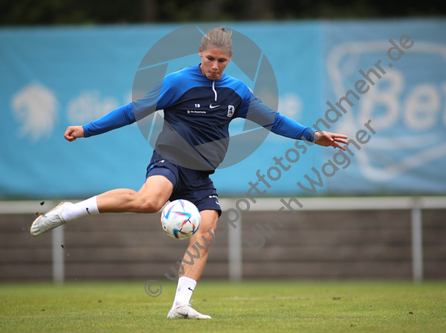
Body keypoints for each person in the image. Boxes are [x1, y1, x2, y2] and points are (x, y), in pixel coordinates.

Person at [31, 27, 348, 319]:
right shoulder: (177, 82)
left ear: (230, 59)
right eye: (210, 58)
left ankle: (180, 304)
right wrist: (87, 129)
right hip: (170, 159)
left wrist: (312, 135)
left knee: (207, 230)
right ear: (200, 53)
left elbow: (275, 121)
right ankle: (68, 212)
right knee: (149, 202)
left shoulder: (237, 92)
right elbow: (131, 112)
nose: (215, 65)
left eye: (221, 60)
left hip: (200, 175)